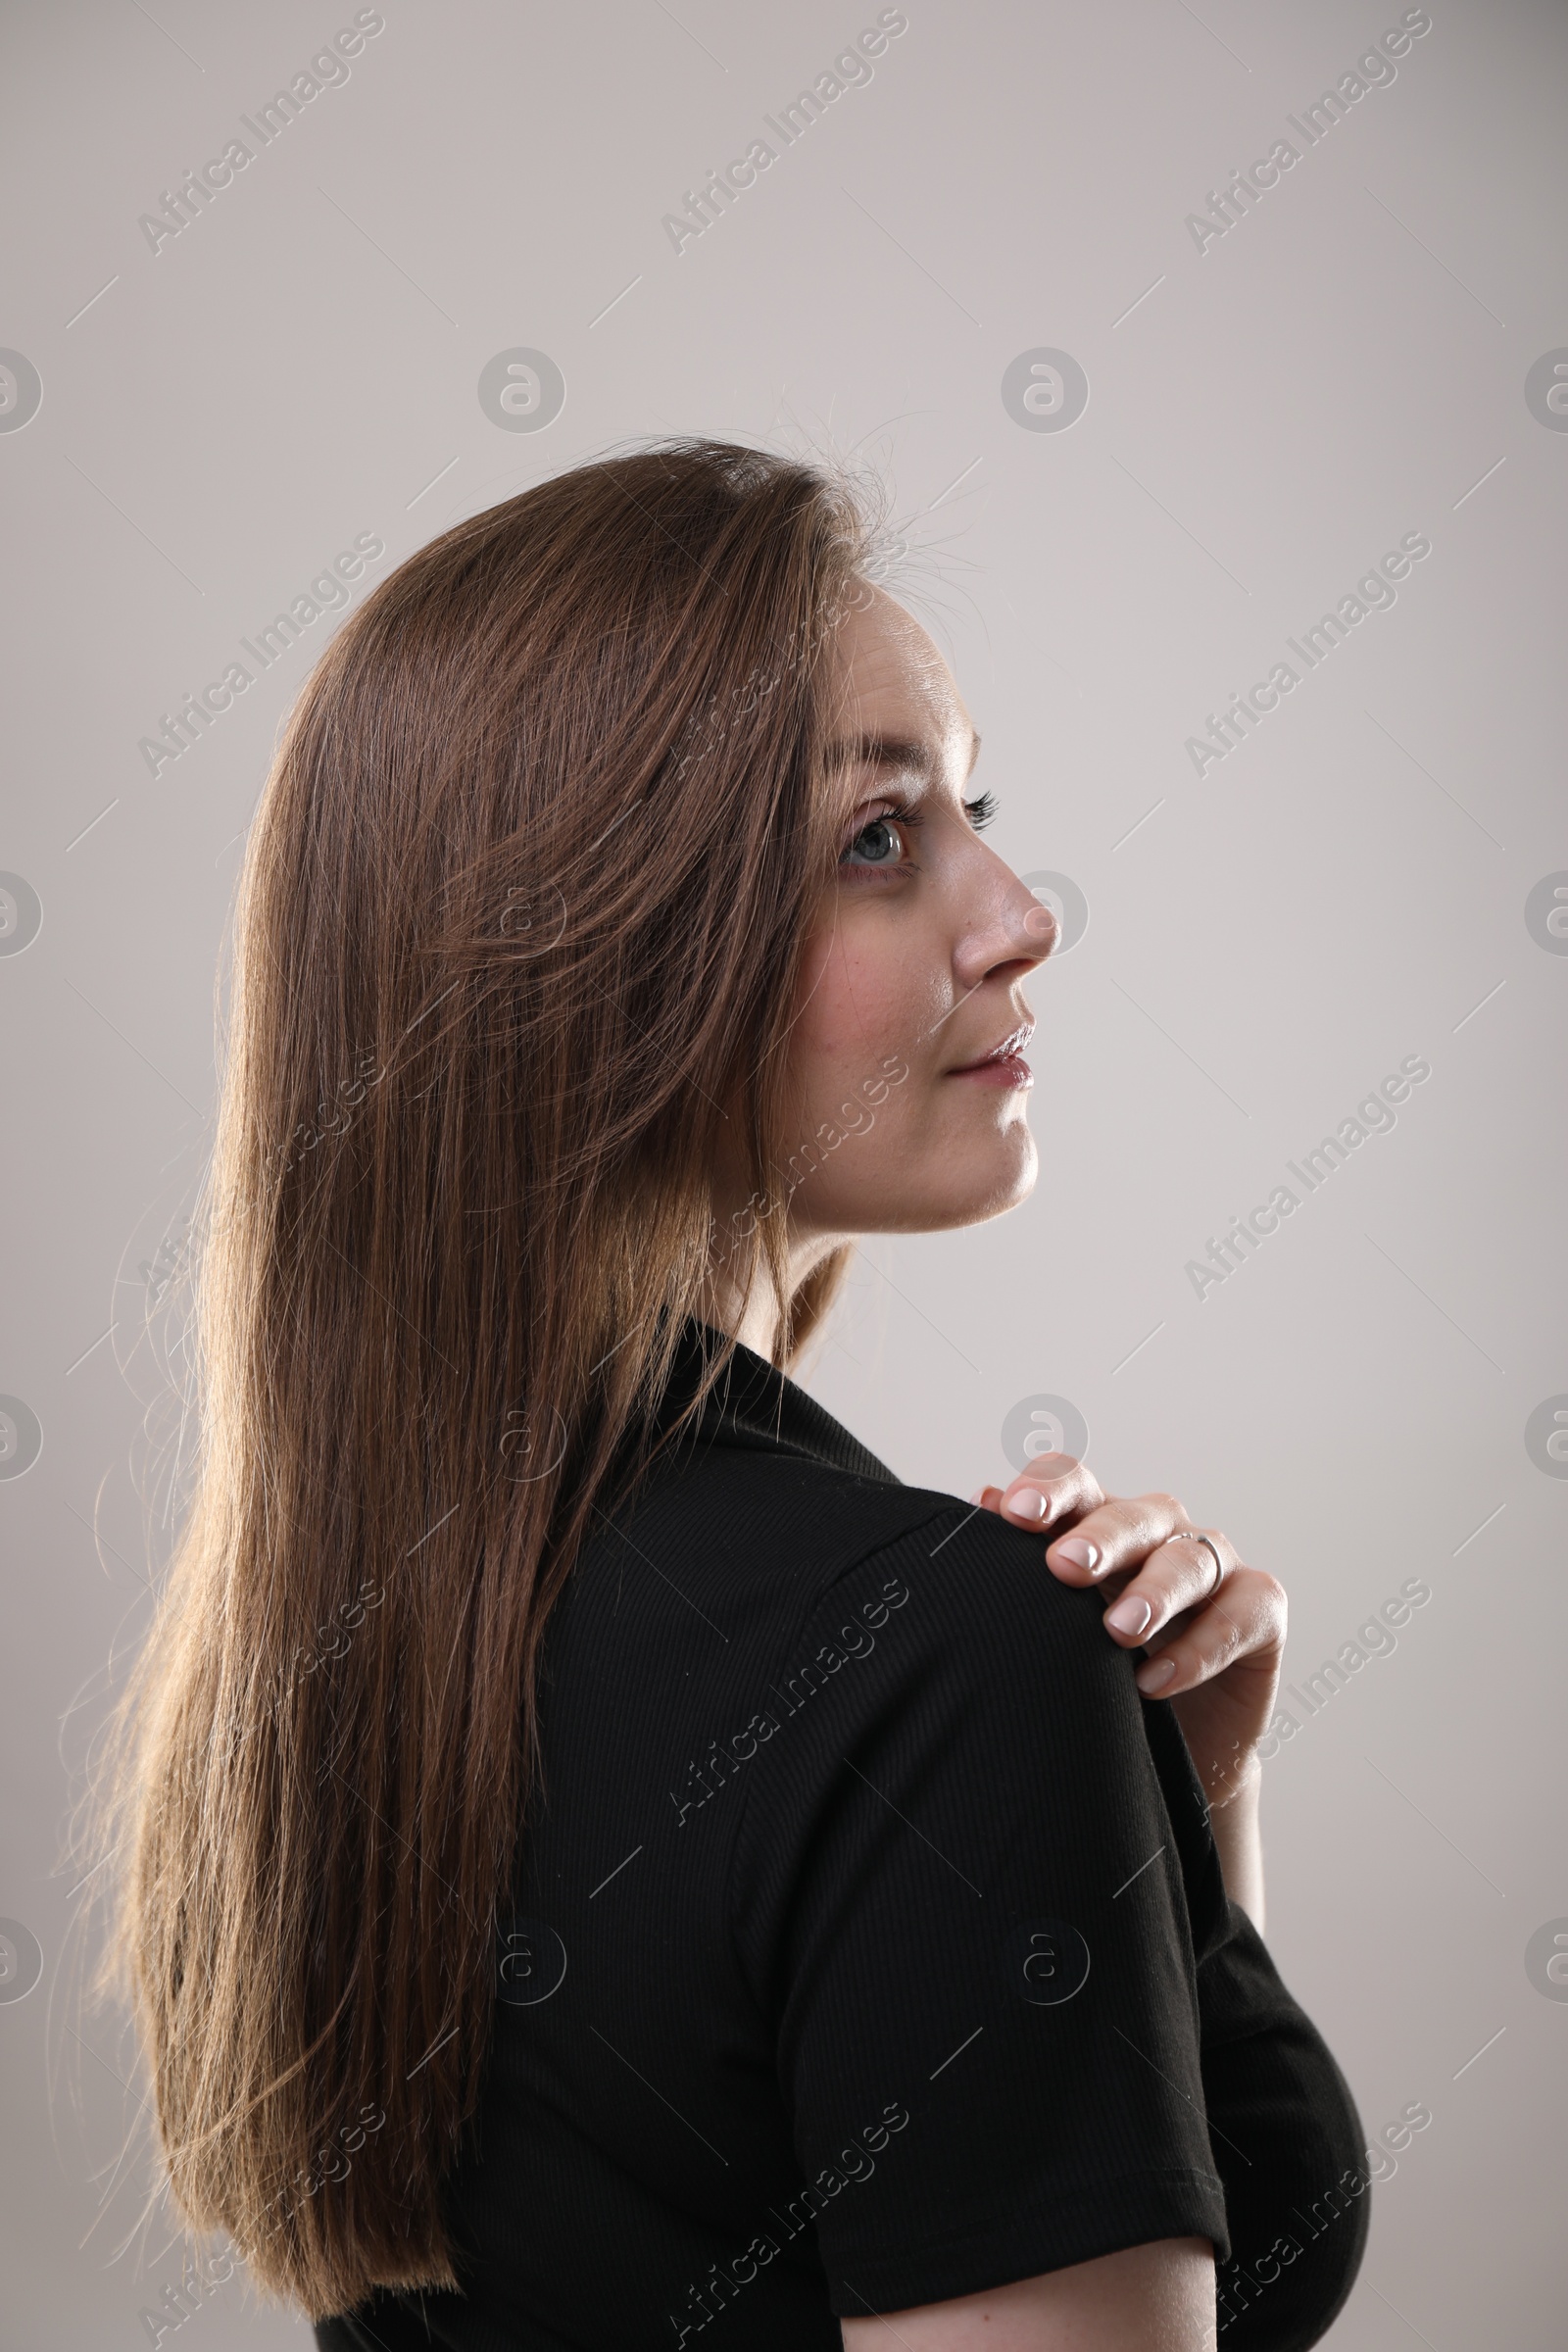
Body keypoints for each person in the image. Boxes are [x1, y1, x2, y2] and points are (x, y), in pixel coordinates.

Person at [102, 440, 1368, 2349]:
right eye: (878, 840)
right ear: (606, 964)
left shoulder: (361, 1638)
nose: (1016, 913)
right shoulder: (931, 1667)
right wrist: (1030, 1749)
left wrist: (1167, 1813)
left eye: (967, 811)